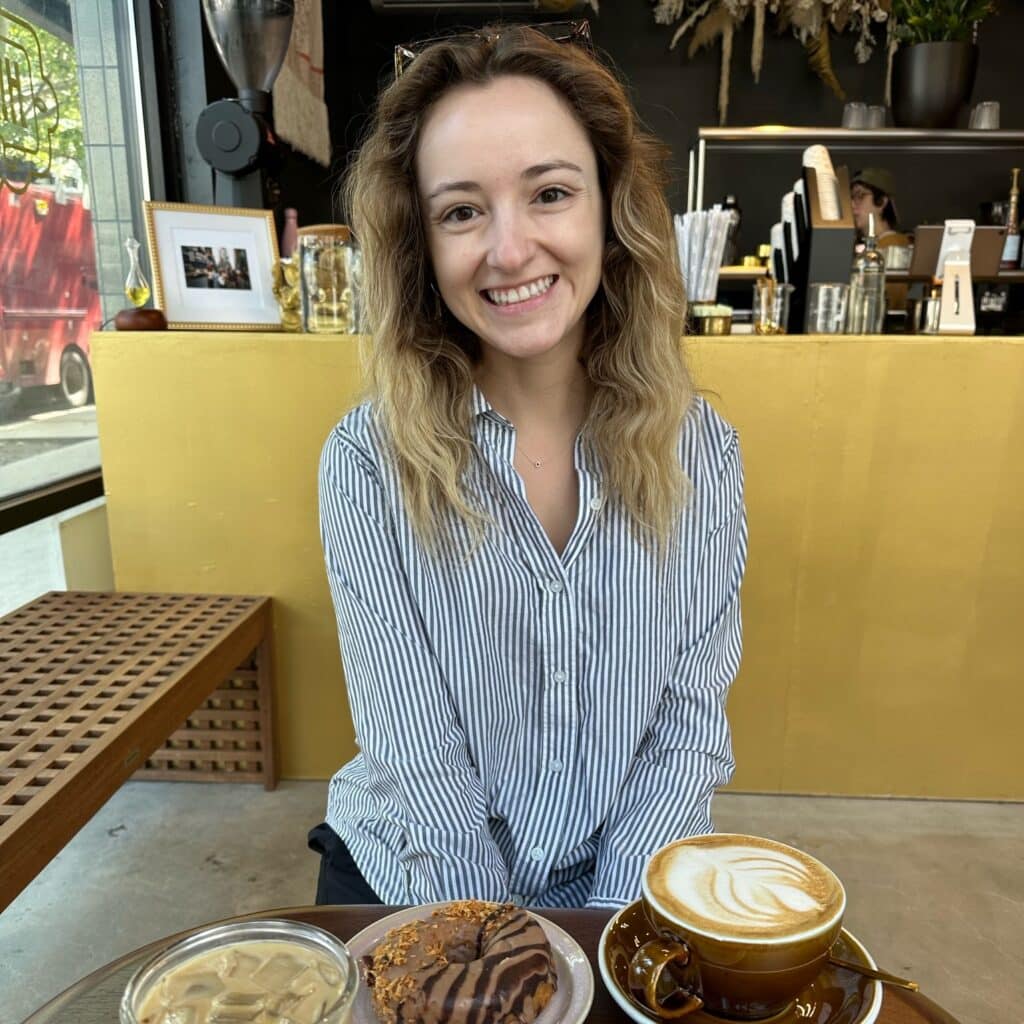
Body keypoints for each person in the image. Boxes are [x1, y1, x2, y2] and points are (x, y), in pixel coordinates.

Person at [309, 22, 748, 909]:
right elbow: (414, 751)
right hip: (415, 876)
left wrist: (604, 940)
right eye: (462, 211)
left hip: (616, 890)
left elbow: (686, 733)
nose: (509, 251)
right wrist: (497, 959)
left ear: (610, 209)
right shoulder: (366, 463)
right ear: (422, 246)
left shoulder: (704, 453)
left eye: (549, 193)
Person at [850, 168, 911, 249]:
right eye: (851, 198)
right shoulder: (864, 248)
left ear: (881, 202)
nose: (852, 205)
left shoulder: (893, 245)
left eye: (860, 196)